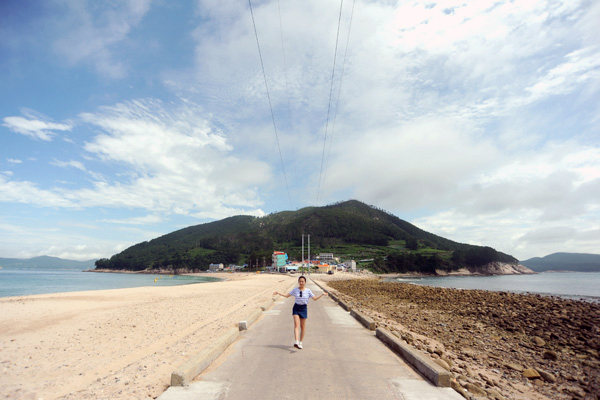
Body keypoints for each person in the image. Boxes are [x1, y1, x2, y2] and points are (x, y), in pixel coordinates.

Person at [273, 275, 328, 349]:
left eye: (302, 281)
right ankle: (296, 341)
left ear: (305, 282)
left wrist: (322, 294)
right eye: (300, 281)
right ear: (298, 282)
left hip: (304, 308)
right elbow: (287, 296)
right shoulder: (295, 290)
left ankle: (301, 342)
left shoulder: (308, 291)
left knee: (302, 327)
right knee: (296, 325)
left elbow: (314, 298)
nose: (301, 283)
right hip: (296, 308)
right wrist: (278, 293)